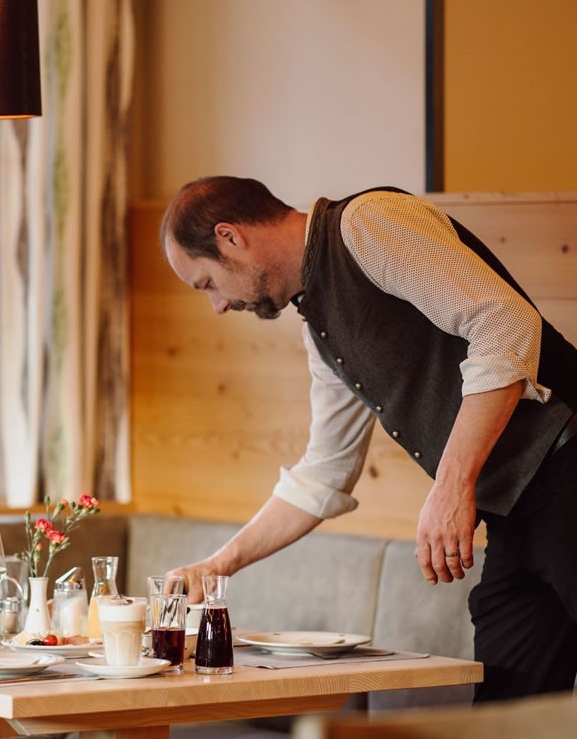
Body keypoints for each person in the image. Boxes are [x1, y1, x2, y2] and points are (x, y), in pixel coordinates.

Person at [161, 176, 577, 701]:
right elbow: (325, 471)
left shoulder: (368, 224)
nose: (218, 306)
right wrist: (219, 563)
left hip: (566, 467)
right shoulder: (319, 329)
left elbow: (506, 324)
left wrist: (452, 485)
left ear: (230, 237)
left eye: (207, 284)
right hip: (515, 513)